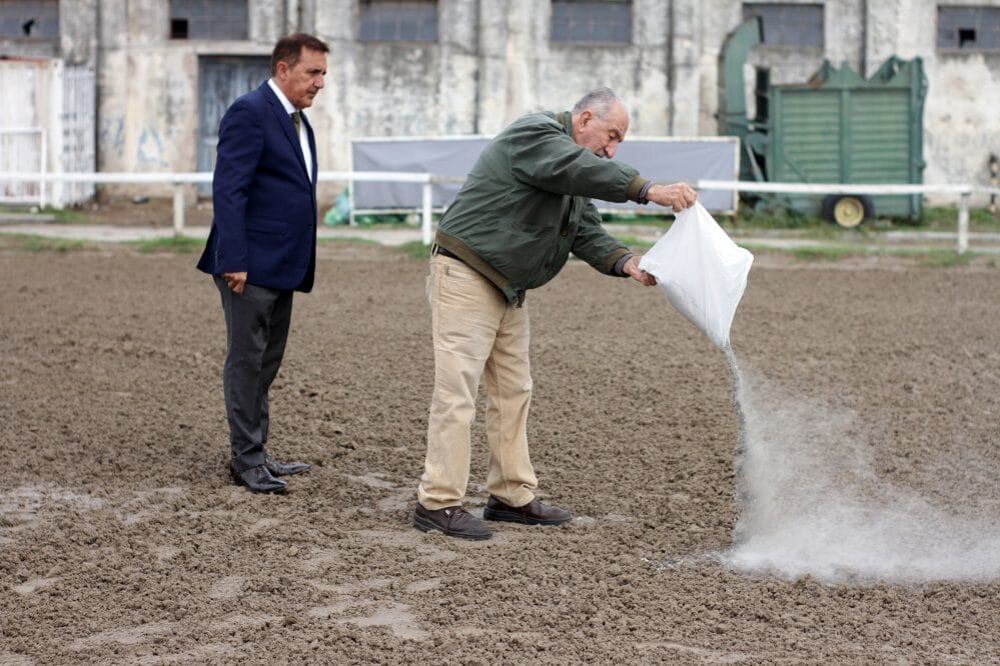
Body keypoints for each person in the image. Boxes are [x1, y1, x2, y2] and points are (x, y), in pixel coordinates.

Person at [413, 88, 698, 539]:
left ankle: (510, 495)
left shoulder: (569, 168)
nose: (612, 150)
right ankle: (438, 501)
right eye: (611, 135)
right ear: (584, 119)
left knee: (514, 391)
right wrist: (647, 190)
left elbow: (583, 229)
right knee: (457, 392)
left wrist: (626, 262)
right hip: (467, 274)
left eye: (619, 141)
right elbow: (576, 167)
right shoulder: (537, 135)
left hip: (506, 285)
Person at [197, 33, 329, 493]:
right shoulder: (250, 112)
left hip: (282, 264)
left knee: (266, 362)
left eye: (323, 74)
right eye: (313, 72)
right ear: (283, 69)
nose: (320, 83)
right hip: (248, 266)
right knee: (247, 362)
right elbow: (229, 189)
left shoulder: (296, 120)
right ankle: (246, 459)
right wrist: (233, 258)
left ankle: (257, 450)